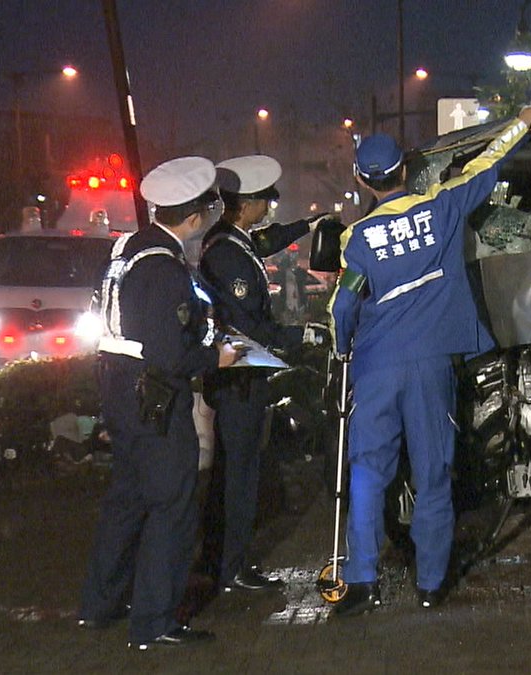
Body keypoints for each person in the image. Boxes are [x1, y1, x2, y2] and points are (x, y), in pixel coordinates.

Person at [328, 105, 531, 616]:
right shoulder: (442, 209)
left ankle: (360, 580)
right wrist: (523, 120)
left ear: (362, 180)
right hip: (431, 366)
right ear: (405, 170)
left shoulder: (356, 240)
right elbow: (486, 166)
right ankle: (430, 584)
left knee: (365, 471)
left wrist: (342, 349)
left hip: (376, 368)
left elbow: (343, 306)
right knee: (433, 471)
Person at [78, 156, 244, 650]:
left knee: (127, 499)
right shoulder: (164, 267)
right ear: (193, 218)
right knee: (173, 505)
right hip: (150, 395)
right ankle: (155, 622)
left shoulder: (126, 248)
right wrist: (218, 356)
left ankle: (99, 604)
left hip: (116, 386)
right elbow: (170, 353)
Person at [196, 154, 336, 592]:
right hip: (239, 378)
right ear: (247, 204)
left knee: (238, 471)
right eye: (264, 203)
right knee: (238, 475)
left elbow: (267, 241)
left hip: (241, 376)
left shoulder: (230, 240)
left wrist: (310, 225)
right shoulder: (228, 254)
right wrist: (302, 337)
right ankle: (230, 566)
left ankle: (227, 560)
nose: (269, 210)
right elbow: (248, 323)